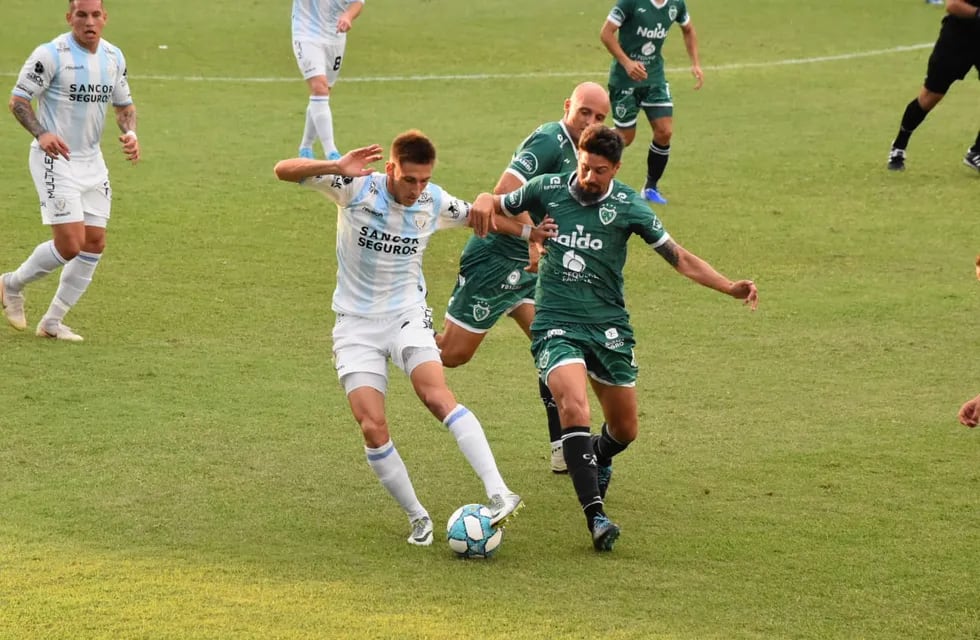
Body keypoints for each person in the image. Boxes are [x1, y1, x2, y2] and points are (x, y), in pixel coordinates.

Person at [470, 124, 759, 552]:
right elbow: (497, 203)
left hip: (608, 327)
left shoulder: (629, 206)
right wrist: (483, 200)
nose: (589, 178)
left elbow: (678, 258)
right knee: (573, 404)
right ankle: (596, 516)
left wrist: (728, 286)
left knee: (625, 429)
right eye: (585, 167)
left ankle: (600, 455)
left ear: (617, 168)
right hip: (556, 321)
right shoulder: (546, 188)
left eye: (600, 171)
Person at [273, 131, 541, 546]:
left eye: (424, 180)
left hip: (406, 316)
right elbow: (282, 170)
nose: (418, 190)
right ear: (390, 169)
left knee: (435, 395)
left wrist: (531, 237)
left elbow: (480, 218)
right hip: (355, 326)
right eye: (410, 180)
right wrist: (333, 166)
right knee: (371, 425)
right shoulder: (355, 186)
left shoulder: (434, 201)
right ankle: (418, 518)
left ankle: (500, 492)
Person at [437, 82, 611, 476]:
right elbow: (503, 193)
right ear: (568, 106)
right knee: (452, 354)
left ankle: (562, 449)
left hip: (535, 276)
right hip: (496, 262)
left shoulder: (583, 152)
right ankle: (395, 338)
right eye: (585, 112)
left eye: (599, 117)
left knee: (558, 353)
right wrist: (531, 238)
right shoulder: (550, 141)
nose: (590, 122)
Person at [1, 0, 140, 342]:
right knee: (71, 244)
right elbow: (18, 101)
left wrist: (131, 133)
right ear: (70, 18)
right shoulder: (50, 55)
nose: (89, 22)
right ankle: (9, 284)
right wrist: (42, 132)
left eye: (95, 15)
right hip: (55, 159)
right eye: (82, 15)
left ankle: (52, 322)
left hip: (92, 162)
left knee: (95, 242)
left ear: (105, 19)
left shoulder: (113, 57)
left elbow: (124, 107)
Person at [600, 0, 703, 205]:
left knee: (665, 131)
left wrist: (695, 63)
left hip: (654, 78)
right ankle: (588, 143)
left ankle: (650, 187)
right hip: (624, 80)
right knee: (625, 138)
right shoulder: (631, 3)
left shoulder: (676, 5)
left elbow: (688, 29)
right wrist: (627, 62)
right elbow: (606, 33)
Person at [886, 0, 980, 172]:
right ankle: (899, 145)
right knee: (930, 96)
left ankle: (977, 152)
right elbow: (952, 4)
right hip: (957, 39)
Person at [291, 0, 365, 160]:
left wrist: (348, 16)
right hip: (306, 34)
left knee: (322, 95)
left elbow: (358, 2)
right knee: (320, 89)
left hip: (336, 37)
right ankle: (332, 153)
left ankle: (305, 148)